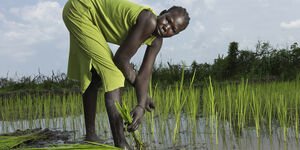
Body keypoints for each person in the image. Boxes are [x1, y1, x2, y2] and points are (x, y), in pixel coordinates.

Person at [62, 0, 190, 148]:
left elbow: (144, 75)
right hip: (80, 9)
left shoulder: (156, 42)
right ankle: (121, 143)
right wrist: (142, 95)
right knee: (114, 75)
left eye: (173, 29)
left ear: (175, 34)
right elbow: (121, 60)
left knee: (95, 75)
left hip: (90, 18)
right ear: (162, 13)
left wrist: (141, 104)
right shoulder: (148, 20)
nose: (167, 27)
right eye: (168, 20)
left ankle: (91, 136)